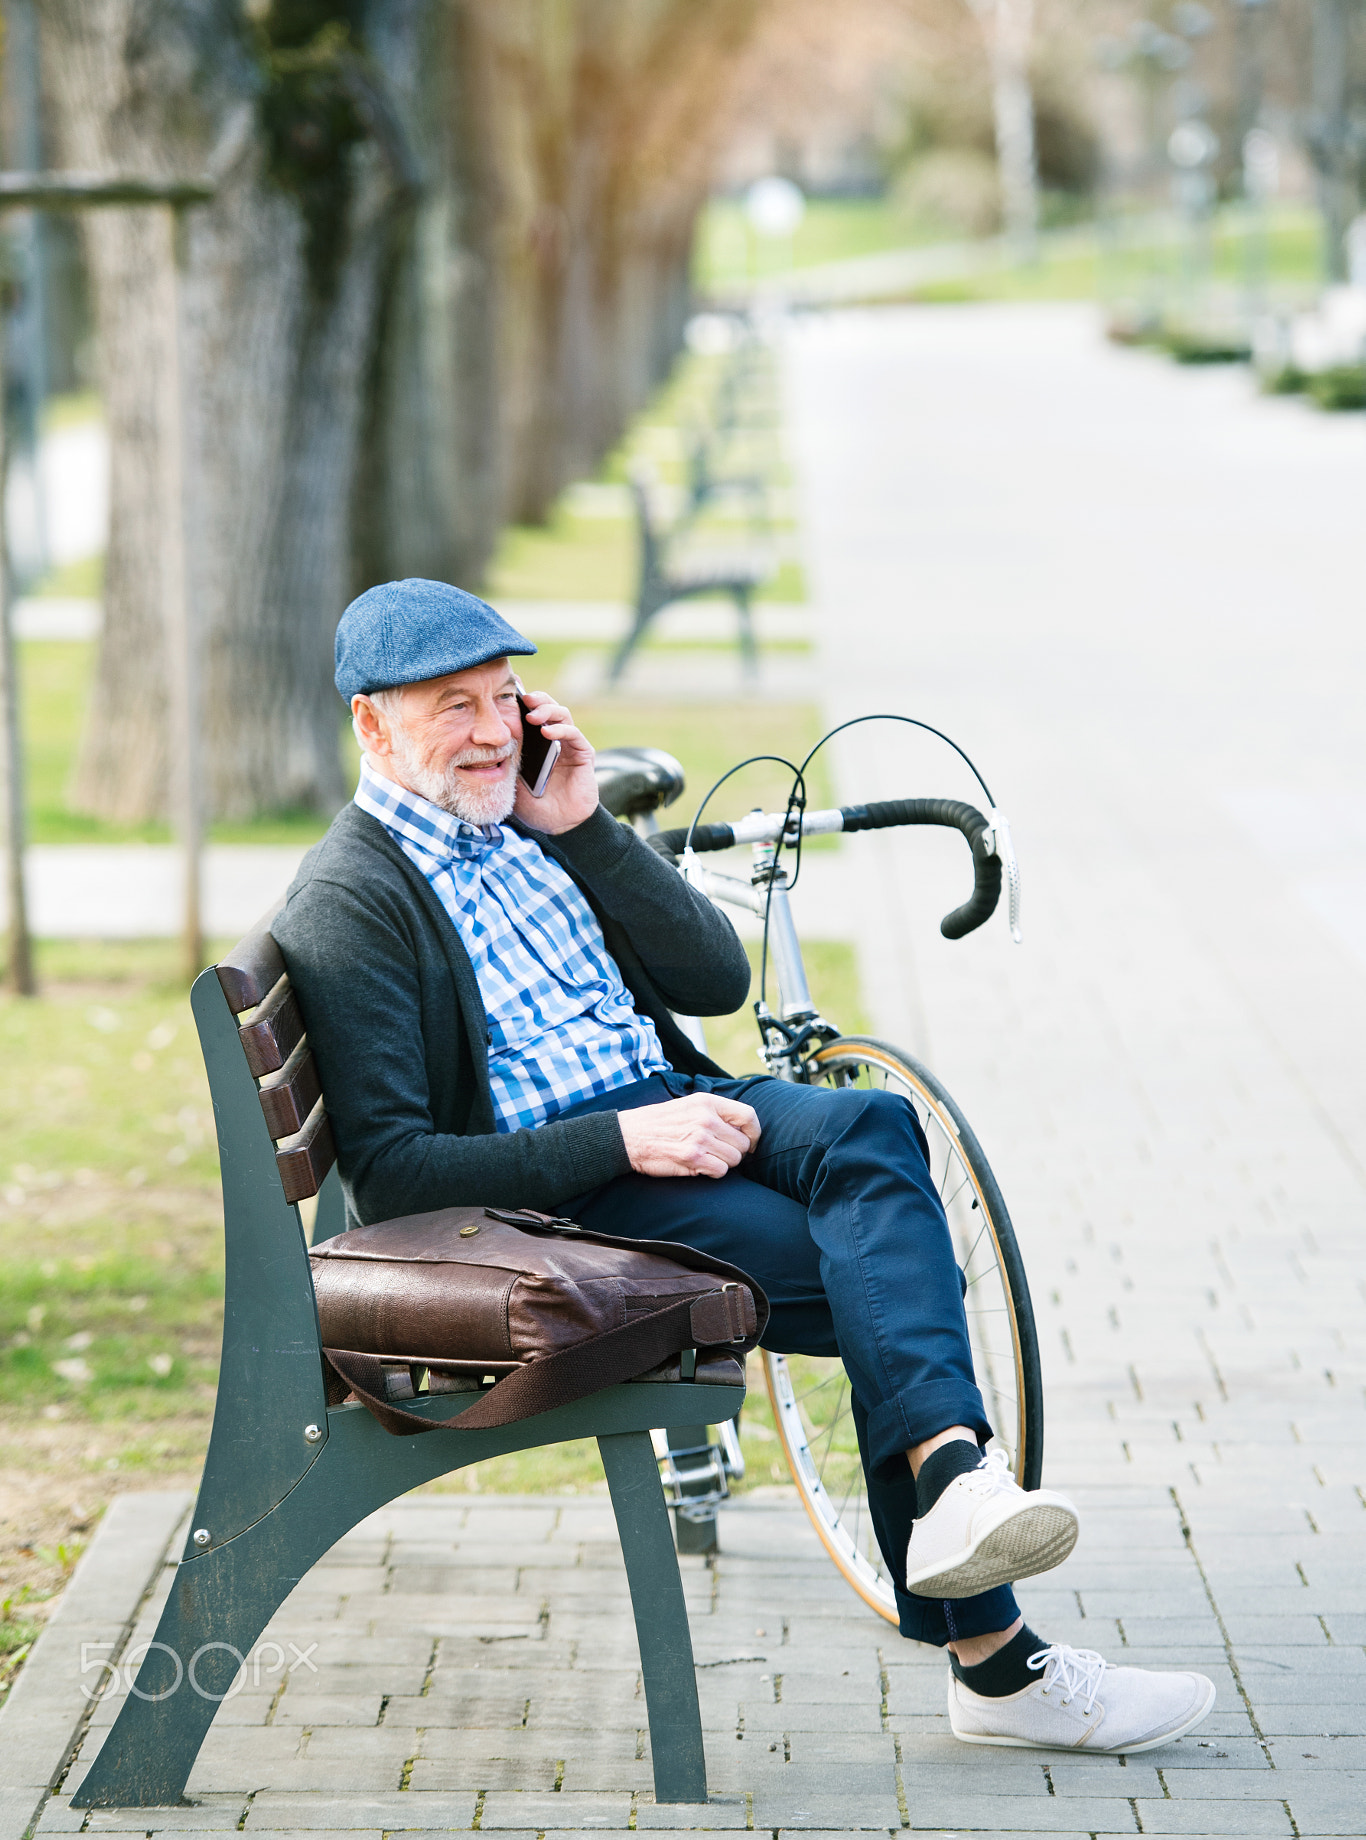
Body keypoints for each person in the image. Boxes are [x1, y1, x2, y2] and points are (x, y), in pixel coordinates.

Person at [275, 577, 1216, 1757]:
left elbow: (716, 982)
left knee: (874, 1132)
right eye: (451, 705)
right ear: (371, 723)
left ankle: (955, 1491)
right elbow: (401, 1171)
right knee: (886, 1278)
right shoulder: (352, 899)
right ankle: (996, 1653)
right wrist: (626, 1140)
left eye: (505, 698)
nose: (489, 731)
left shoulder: (524, 825)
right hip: (566, 1198)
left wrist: (586, 827)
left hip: (675, 1112)